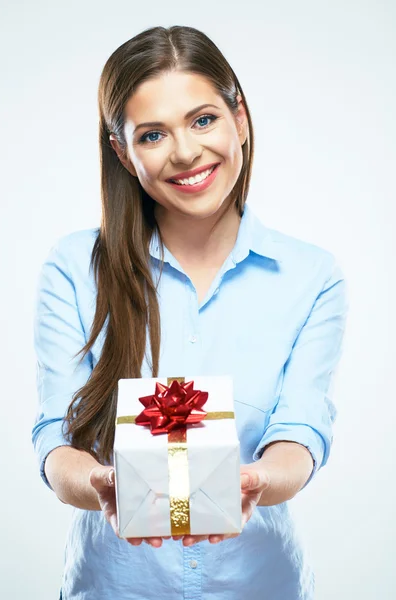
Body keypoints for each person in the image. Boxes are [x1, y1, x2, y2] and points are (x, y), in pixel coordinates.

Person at [32, 25, 349, 600]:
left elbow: (300, 432)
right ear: (124, 154)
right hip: (111, 587)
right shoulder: (75, 266)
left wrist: (255, 480)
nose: (185, 151)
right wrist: (103, 483)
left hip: (260, 586)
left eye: (203, 119)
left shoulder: (312, 276)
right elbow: (56, 439)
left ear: (241, 119)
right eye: (153, 134)